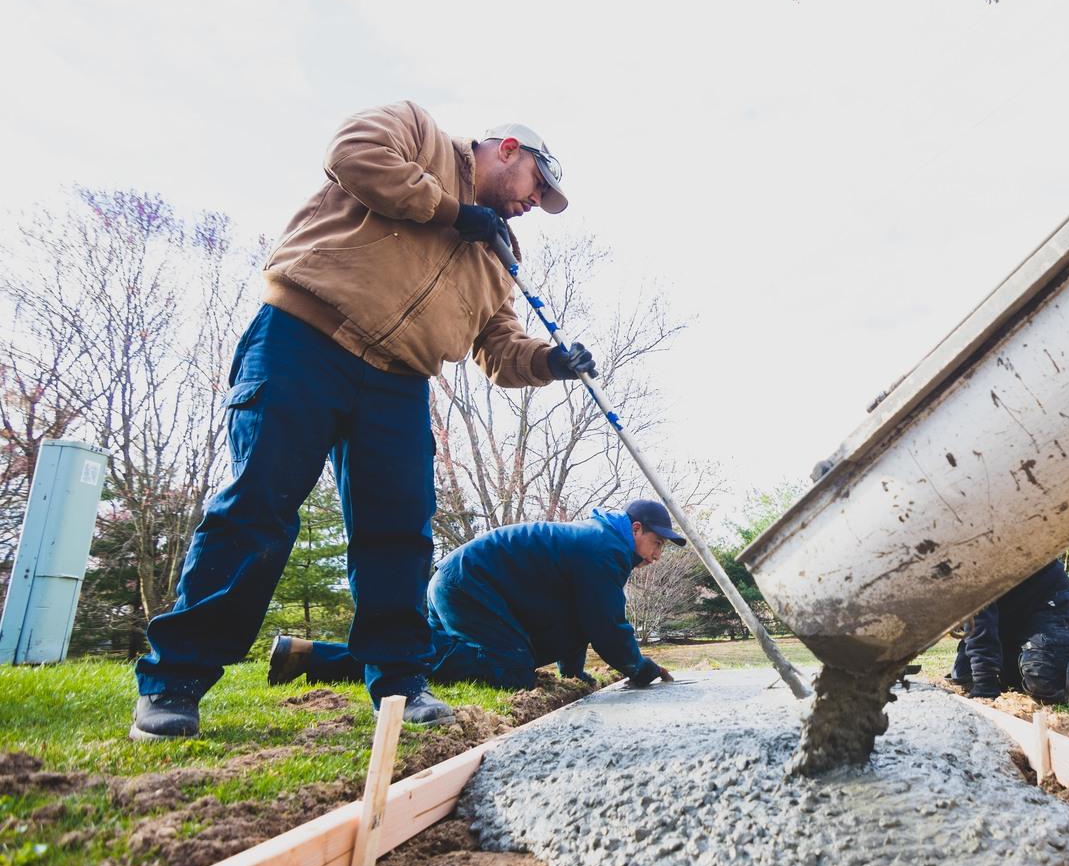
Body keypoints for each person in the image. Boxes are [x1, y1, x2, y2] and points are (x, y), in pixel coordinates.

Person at [131, 101, 598, 741]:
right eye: (535, 189)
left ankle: (401, 684)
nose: (531, 205)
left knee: (399, 533)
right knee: (257, 506)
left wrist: (550, 361)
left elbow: (498, 345)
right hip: (305, 335)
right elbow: (353, 157)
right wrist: (454, 213)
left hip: (399, 380)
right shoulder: (416, 131)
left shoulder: (495, 249)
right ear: (509, 150)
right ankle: (174, 681)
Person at [267, 500, 681, 693]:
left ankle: (309, 656)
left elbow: (578, 619)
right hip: (468, 584)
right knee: (510, 670)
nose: (658, 556)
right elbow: (605, 623)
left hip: (465, 581)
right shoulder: (605, 548)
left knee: (424, 655)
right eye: (658, 544)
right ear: (637, 528)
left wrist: (572, 672)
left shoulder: (599, 545)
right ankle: (324, 656)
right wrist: (637, 667)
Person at [949, 559, 1069, 706]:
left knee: (1044, 679)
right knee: (964, 674)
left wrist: (985, 680)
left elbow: (980, 613)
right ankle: (1025, 669)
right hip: (1005, 612)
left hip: (1045, 601)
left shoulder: (967, 548)